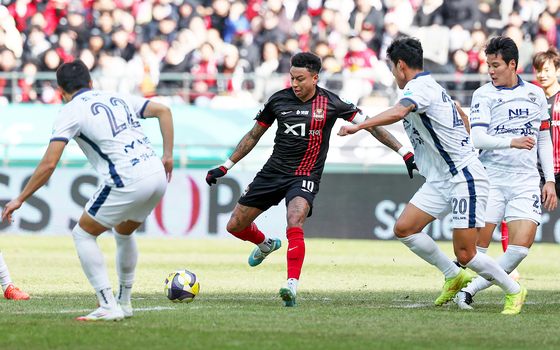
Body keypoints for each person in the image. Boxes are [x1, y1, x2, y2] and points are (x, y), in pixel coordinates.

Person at [205, 52, 417, 307]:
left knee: (294, 219)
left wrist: (403, 152)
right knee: (234, 227)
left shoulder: (331, 102)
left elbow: (371, 125)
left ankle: (291, 286)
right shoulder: (278, 100)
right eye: (292, 78)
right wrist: (225, 166)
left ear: (315, 78)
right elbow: (253, 135)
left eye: (300, 78)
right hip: (272, 172)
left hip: (305, 175)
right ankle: (266, 244)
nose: (295, 84)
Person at [338, 37, 530, 315]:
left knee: (467, 253)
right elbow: (459, 120)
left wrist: (359, 126)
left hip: (464, 177)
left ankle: (514, 290)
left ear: (400, 65)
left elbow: (399, 111)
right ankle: (453, 275)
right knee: (404, 229)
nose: (393, 74)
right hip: (442, 178)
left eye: (392, 68)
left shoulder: (419, 89)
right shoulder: (431, 87)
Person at [1, 59, 174, 321]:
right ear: (90, 82)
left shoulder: (70, 111)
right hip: (157, 174)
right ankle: (124, 303)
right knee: (124, 232)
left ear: (61, 90)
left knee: (82, 234)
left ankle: (107, 305)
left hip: (126, 178)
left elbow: (49, 164)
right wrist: (168, 155)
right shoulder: (117, 97)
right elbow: (163, 110)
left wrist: (20, 199)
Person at [456, 37, 558, 309]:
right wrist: (511, 141)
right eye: (488, 65)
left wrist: (548, 179)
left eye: (496, 65)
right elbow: (477, 138)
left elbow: (544, 138)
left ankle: (468, 290)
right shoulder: (483, 94)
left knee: (520, 249)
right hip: (491, 177)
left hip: (526, 180)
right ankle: (457, 279)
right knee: (475, 250)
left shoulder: (535, 94)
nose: (490, 71)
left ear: (513, 64)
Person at [532, 48, 560, 195]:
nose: (542, 75)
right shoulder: (533, 101)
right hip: (539, 173)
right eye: (539, 70)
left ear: (557, 71)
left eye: (546, 70)